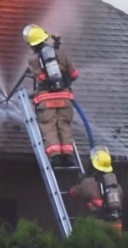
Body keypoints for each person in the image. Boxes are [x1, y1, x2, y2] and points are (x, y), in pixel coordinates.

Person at [22, 24, 80, 168]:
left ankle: (55, 157)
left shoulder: (33, 58)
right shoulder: (62, 54)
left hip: (45, 99)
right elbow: (74, 74)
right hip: (64, 98)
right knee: (64, 125)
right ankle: (68, 156)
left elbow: (41, 76)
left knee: (49, 127)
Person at [68, 147, 124, 229]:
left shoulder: (87, 183)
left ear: (93, 165)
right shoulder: (117, 187)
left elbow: (73, 193)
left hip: (97, 224)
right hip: (116, 224)